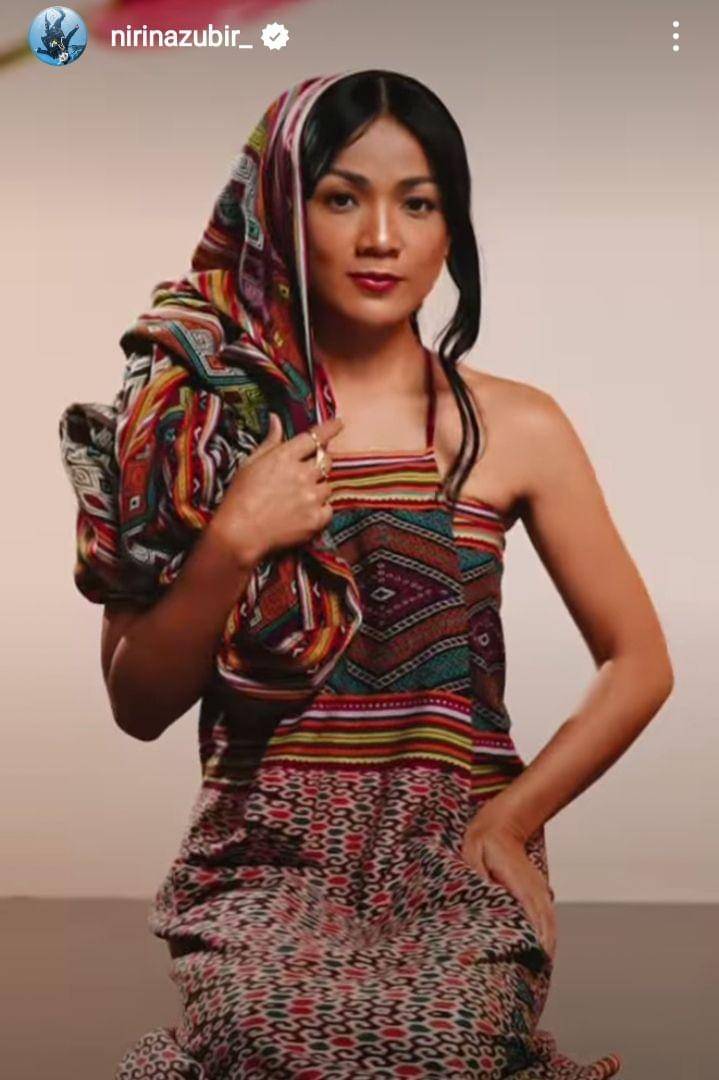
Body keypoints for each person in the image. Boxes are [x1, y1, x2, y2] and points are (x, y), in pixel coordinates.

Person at [59, 70, 673, 1078]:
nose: (381, 236)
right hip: (262, 867)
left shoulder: (517, 427)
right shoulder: (200, 426)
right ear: (278, 215)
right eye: (342, 197)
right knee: (271, 1042)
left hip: (451, 858)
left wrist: (510, 821)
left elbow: (638, 661)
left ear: (450, 229)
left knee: (440, 1046)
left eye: (417, 203)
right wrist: (233, 539)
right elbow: (137, 704)